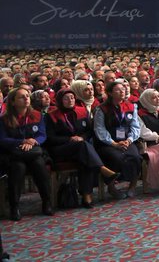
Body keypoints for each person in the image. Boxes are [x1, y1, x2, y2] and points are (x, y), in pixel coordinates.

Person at [46, 89, 122, 207]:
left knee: (85, 157)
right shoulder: (51, 116)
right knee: (85, 149)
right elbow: (50, 138)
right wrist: (70, 139)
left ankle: (87, 197)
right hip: (61, 149)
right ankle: (101, 170)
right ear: (60, 100)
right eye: (66, 98)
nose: (70, 100)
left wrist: (81, 137)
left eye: (72, 97)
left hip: (81, 148)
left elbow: (90, 131)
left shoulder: (82, 111)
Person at [0, 87, 53, 220]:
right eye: (22, 97)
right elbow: (3, 139)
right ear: (12, 102)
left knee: (39, 165)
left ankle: (47, 202)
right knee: (18, 167)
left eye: (27, 96)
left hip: (33, 152)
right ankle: (14, 206)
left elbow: (42, 135)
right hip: (14, 153)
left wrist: (33, 141)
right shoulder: (4, 119)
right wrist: (22, 141)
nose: (26, 99)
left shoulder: (37, 115)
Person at [93, 81, 143, 199]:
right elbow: (99, 129)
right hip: (108, 142)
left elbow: (135, 126)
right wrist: (114, 143)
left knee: (135, 157)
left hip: (127, 140)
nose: (122, 91)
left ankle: (132, 185)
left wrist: (129, 140)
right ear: (110, 93)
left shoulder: (131, 106)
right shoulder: (102, 109)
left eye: (124, 89)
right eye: (118, 90)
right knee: (115, 157)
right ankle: (111, 187)